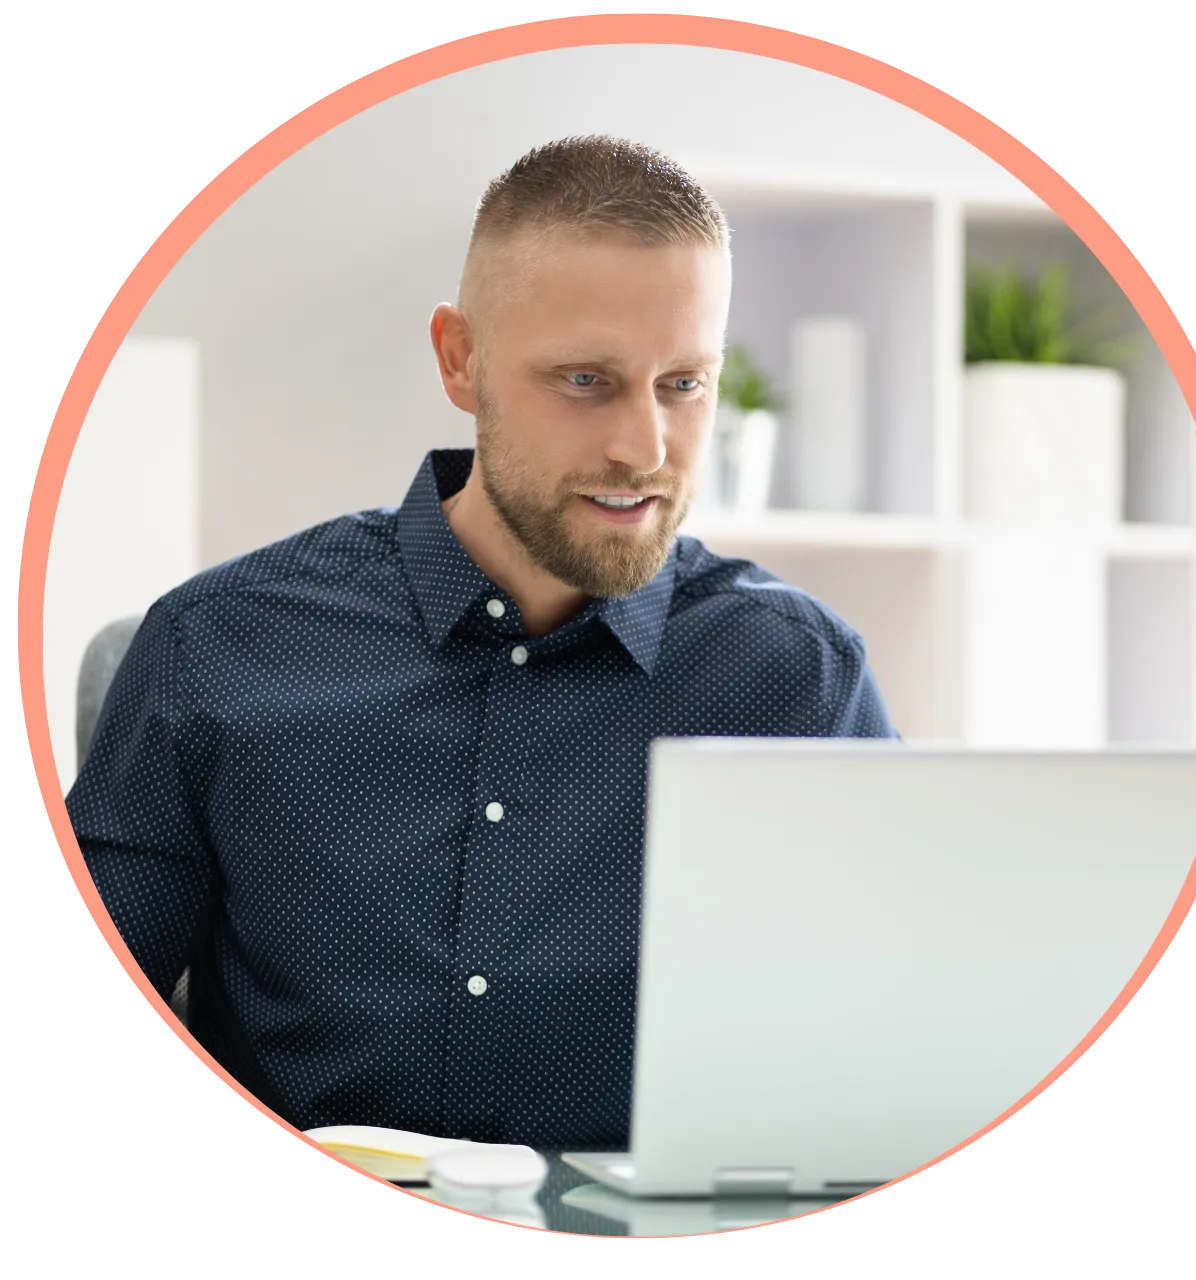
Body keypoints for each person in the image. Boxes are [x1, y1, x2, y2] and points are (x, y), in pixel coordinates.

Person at [66, 135, 898, 1150]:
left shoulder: (798, 681)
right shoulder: (215, 652)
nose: (643, 448)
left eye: (682, 383)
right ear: (460, 359)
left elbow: (887, 1069)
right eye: (586, 380)